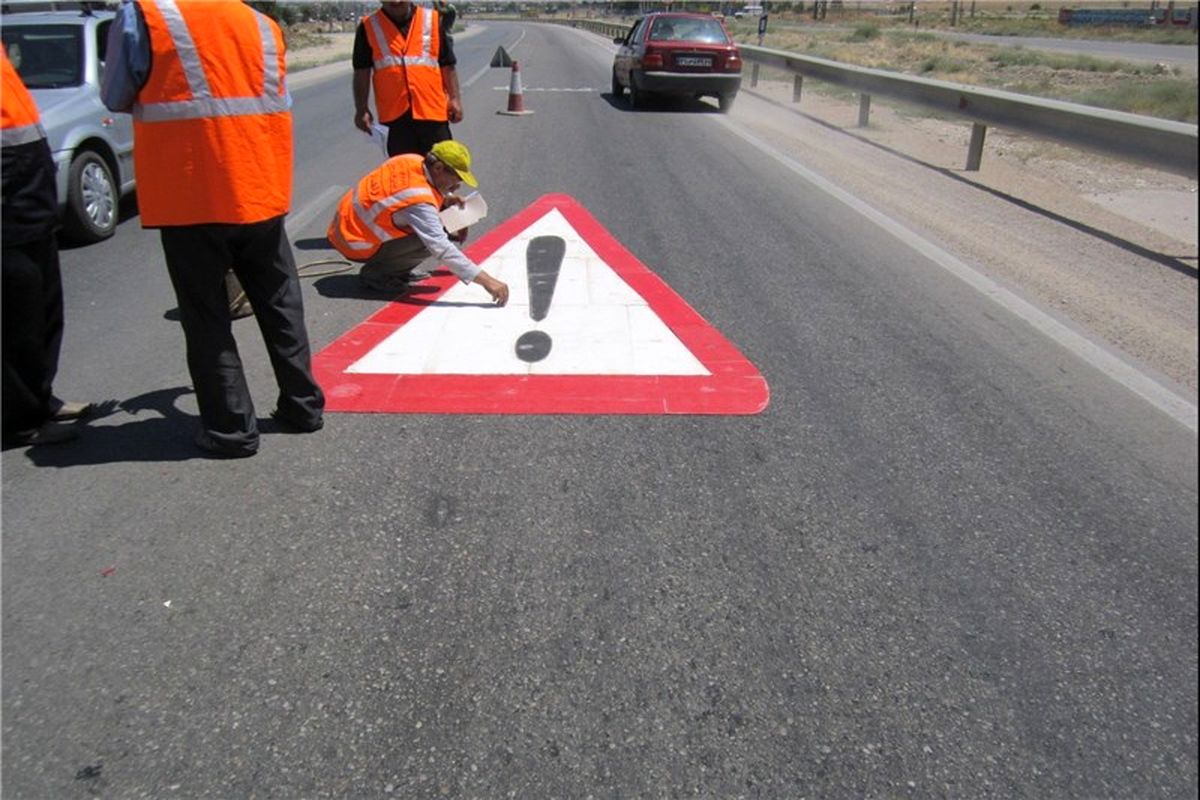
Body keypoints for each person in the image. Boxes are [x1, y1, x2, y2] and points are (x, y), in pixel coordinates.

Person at [101, 0, 324, 458]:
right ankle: (303, 407)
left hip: (191, 194)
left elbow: (115, 95)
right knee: (280, 303)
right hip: (259, 186)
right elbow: (276, 99)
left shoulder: (146, 15)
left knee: (207, 316)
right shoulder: (261, 23)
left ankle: (230, 430)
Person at [2, 47, 93, 448]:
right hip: (7, 201)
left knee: (43, 309)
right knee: (16, 317)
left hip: (28, 192)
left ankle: (42, 398)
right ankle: (21, 420)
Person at [327, 140, 508, 305]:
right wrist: (487, 281)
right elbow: (440, 247)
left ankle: (394, 269)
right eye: (456, 178)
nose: (458, 184)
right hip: (355, 243)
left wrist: (447, 199)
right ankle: (378, 276)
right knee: (434, 237)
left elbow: (402, 189)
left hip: (343, 227)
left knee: (431, 227)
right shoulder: (418, 201)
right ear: (437, 167)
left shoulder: (410, 159)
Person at [353, 0, 463, 158]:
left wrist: (454, 99)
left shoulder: (431, 20)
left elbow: (447, 64)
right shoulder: (368, 26)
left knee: (442, 170)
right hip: (395, 118)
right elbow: (361, 71)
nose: (395, 1)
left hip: (432, 112)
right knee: (404, 174)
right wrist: (361, 108)